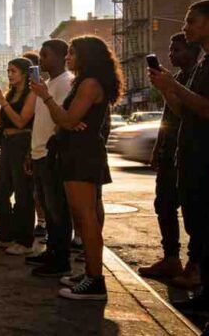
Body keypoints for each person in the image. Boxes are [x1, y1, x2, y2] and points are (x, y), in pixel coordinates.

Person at [31, 35, 123, 301]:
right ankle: (89, 274)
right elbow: (67, 121)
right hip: (76, 153)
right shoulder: (83, 83)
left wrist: (47, 98)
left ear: (86, 56)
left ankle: (95, 281)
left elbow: (67, 120)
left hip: (83, 156)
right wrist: (67, 121)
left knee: (86, 219)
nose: (68, 57)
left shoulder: (90, 84)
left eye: (72, 53)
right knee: (82, 218)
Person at [149, 0, 209, 332]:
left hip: (208, 161)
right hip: (190, 158)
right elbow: (185, 112)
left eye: (192, 20)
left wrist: (173, 86)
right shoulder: (204, 64)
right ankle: (205, 294)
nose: (186, 26)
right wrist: (167, 90)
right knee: (199, 226)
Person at [138, 33, 200, 280]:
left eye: (177, 50)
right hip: (169, 153)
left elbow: (185, 113)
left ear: (193, 52)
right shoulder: (175, 78)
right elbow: (168, 119)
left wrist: (166, 89)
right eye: (171, 50)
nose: (172, 54)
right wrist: (158, 149)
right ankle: (171, 258)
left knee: (193, 211)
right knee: (164, 205)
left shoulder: (197, 77)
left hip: (189, 153)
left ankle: (195, 266)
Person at [25, 40, 75, 277]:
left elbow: (63, 120)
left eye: (45, 56)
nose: (41, 60)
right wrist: (30, 151)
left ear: (59, 56)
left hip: (51, 155)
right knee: (47, 206)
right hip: (38, 153)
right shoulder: (45, 84)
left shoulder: (66, 82)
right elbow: (39, 121)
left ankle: (60, 259)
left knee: (57, 210)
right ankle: (51, 251)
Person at [0, 58, 37, 255]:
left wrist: (3, 102)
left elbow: (22, 121)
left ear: (24, 73)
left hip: (23, 144)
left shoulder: (31, 94)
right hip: (6, 144)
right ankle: (4, 235)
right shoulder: (10, 94)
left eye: (13, 71)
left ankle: (24, 240)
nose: (10, 75)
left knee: (23, 193)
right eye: (8, 71)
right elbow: (0, 123)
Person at [22, 50, 48, 238]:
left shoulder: (42, 88)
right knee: (31, 191)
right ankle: (39, 222)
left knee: (43, 191)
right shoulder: (21, 92)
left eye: (31, 68)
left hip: (42, 147)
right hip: (29, 145)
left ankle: (45, 223)